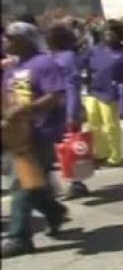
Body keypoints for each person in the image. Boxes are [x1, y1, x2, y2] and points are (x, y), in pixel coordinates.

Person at [1, 22, 69, 258]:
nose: (5, 41)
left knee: (21, 183)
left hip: (40, 132)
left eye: (10, 37)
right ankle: (55, 211)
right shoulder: (13, 68)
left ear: (26, 39)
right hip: (16, 133)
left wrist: (27, 110)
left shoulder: (44, 63)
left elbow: (56, 96)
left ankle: (19, 238)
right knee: (32, 183)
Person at [80, 21, 123, 167]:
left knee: (110, 125)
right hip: (93, 90)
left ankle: (115, 156)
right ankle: (100, 153)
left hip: (111, 92)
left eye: (112, 32)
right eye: (106, 32)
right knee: (92, 124)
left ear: (118, 34)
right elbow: (82, 63)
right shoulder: (95, 49)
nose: (108, 35)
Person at [45, 23, 88, 199]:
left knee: (71, 148)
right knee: (56, 149)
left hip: (65, 109)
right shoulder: (53, 56)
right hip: (52, 109)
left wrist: (72, 113)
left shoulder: (68, 58)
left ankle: (76, 183)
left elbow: (72, 86)